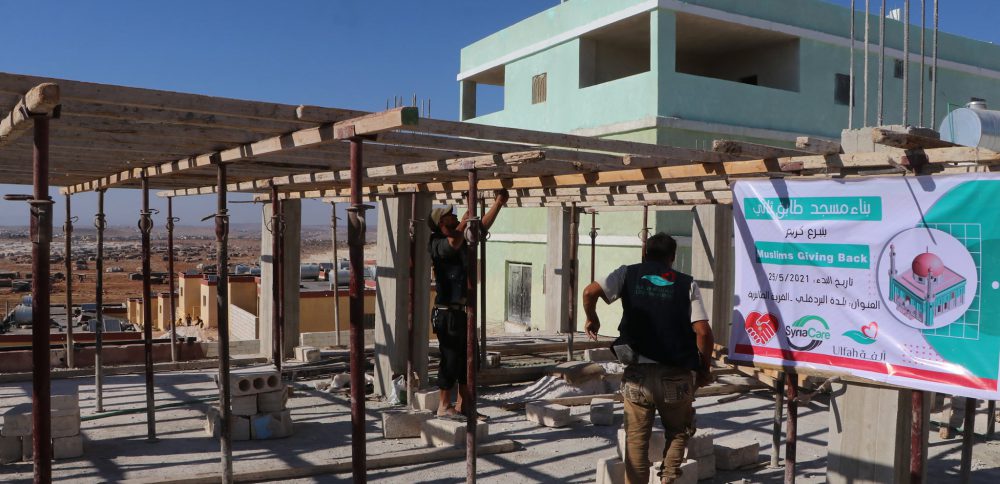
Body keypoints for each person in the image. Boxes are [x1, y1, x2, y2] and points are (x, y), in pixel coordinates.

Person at [582, 233, 714, 484]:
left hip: (637, 376)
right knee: (678, 432)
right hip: (675, 375)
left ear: (645, 253)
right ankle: (667, 478)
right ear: (672, 257)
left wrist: (592, 318)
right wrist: (704, 369)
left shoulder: (627, 274)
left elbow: (589, 292)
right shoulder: (686, 283)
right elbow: (703, 332)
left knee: (636, 443)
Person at [428, 189, 509, 418]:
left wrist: (498, 203)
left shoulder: (461, 237)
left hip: (462, 312)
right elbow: (452, 243)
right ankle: (444, 406)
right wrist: (466, 220)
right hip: (447, 314)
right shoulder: (436, 242)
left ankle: (464, 406)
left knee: (469, 360)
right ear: (441, 224)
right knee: (450, 358)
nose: (455, 216)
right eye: (450, 216)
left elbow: (481, 227)